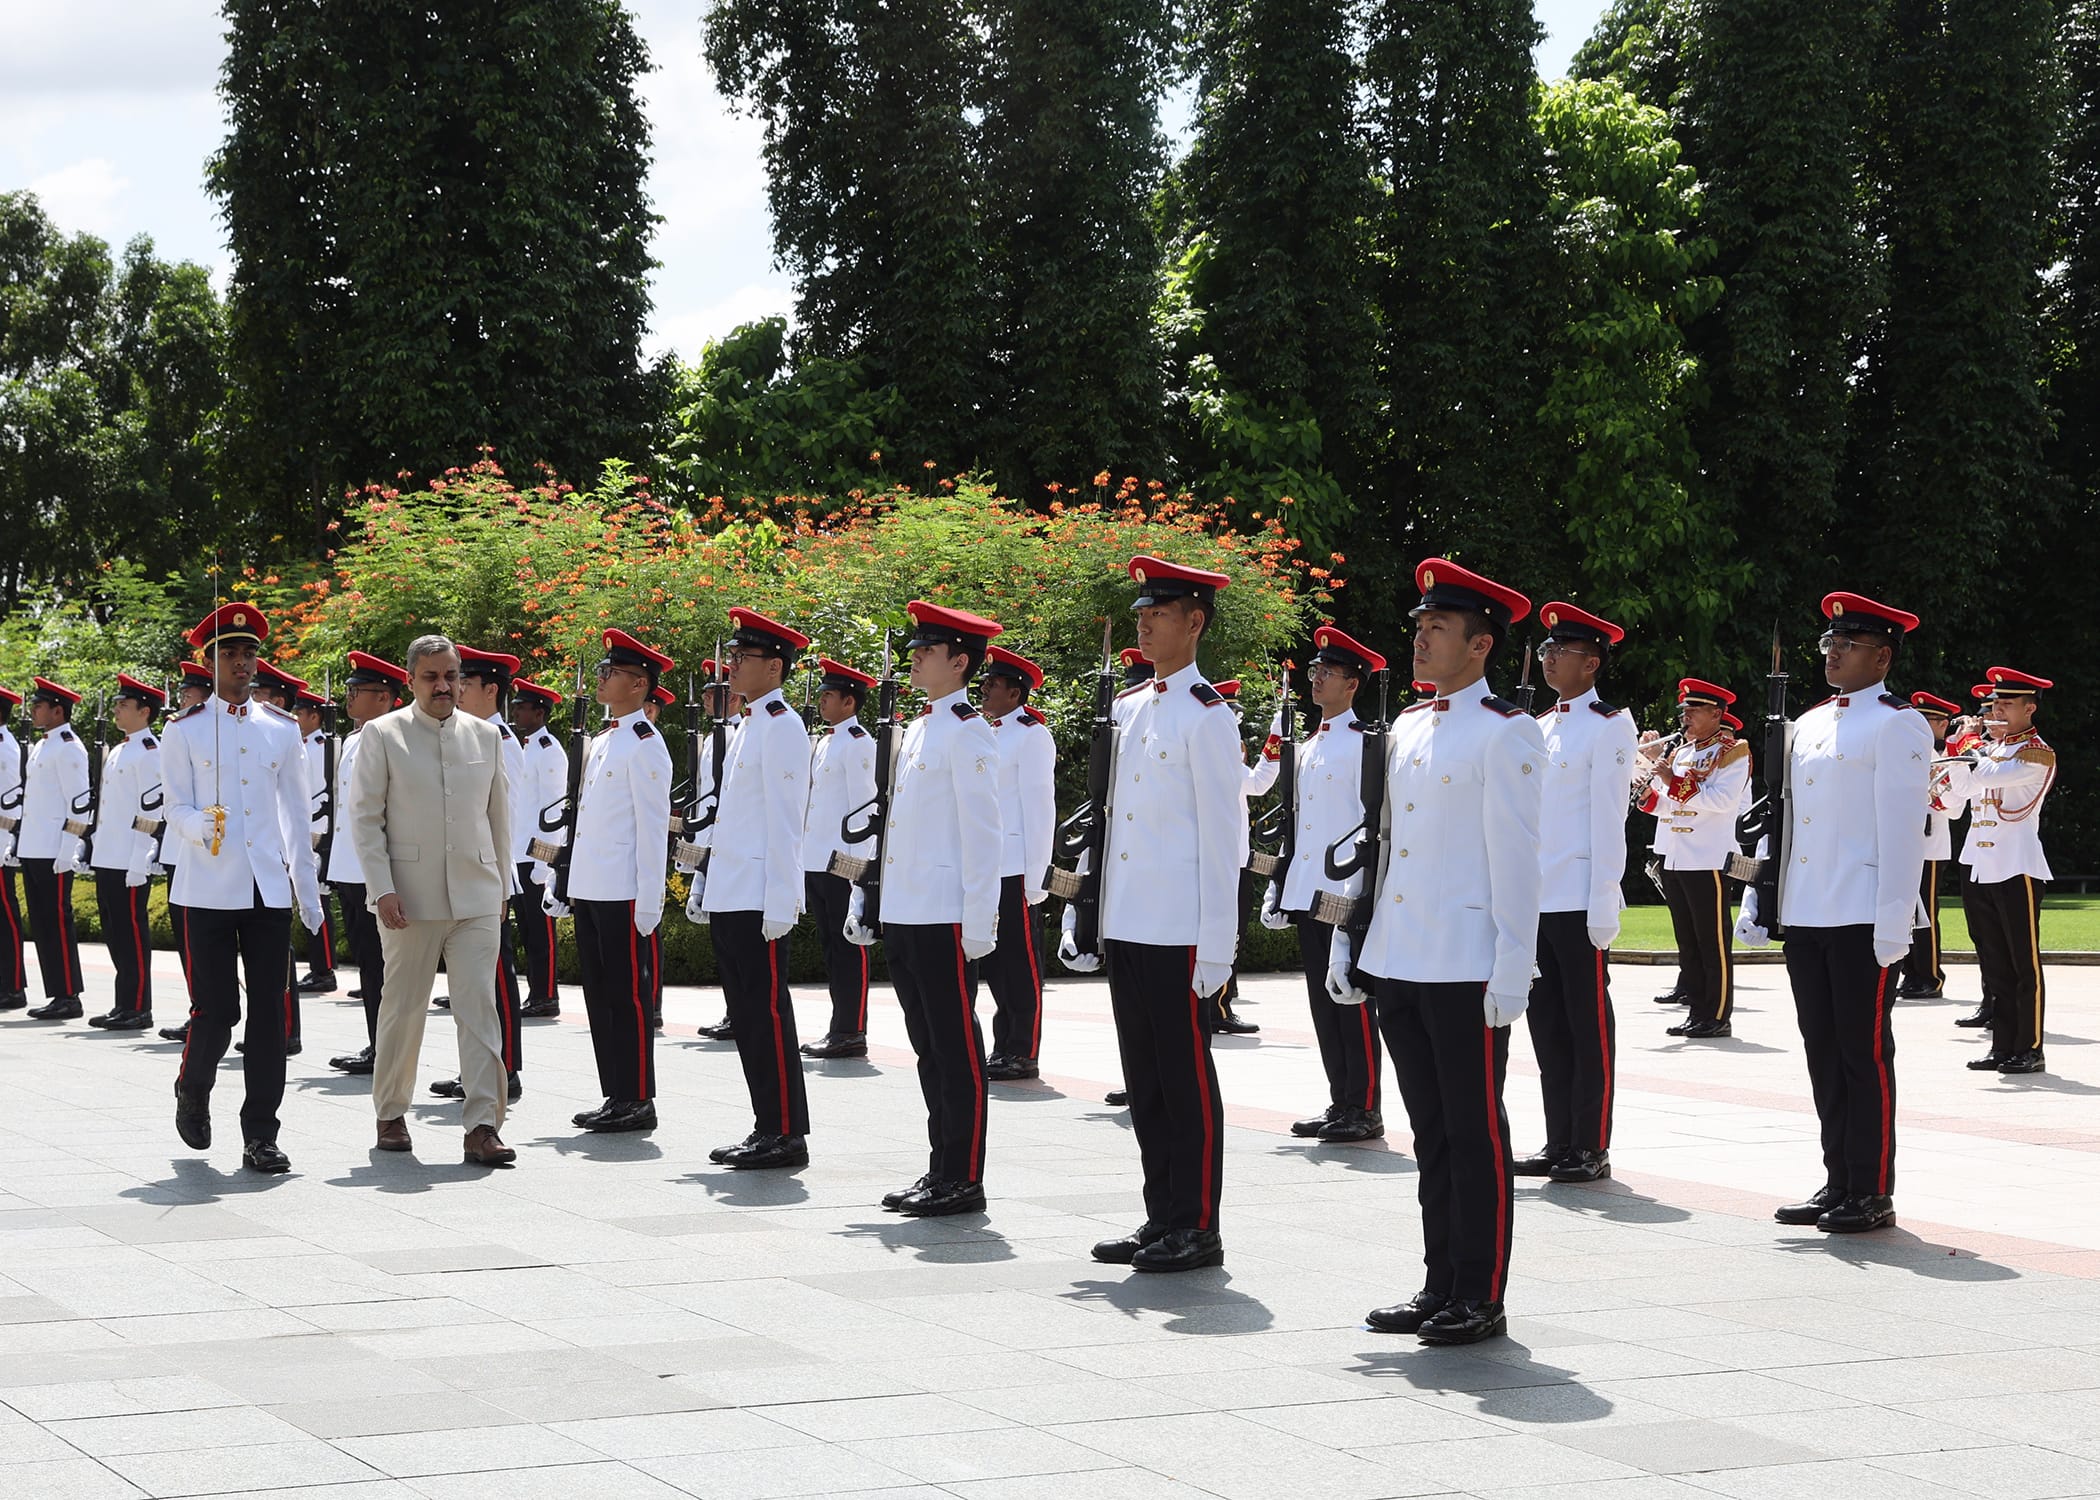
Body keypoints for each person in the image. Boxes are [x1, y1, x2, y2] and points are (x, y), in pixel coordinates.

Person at [1356, 558, 1543, 1346]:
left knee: (1474, 1131)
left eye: (1438, 629)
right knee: (1429, 1131)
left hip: (1466, 962)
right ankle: (1439, 1281)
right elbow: (1388, 847)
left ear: (1480, 645)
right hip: (1404, 956)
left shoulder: (1508, 732)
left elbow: (1519, 857)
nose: (1422, 639)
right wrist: (1360, 945)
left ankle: (1480, 1292)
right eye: (1419, 627)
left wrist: (1512, 967)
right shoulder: (1407, 726)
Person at [1064, 556, 1243, 1274]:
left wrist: (1217, 948)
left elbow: (1221, 839)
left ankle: (1197, 1224)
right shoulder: (1132, 707)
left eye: (1158, 612)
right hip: (1130, 920)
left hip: (1177, 927)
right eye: (1141, 611)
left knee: (1184, 1077)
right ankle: (1161, 1213)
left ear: (1194, 622)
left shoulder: (1209, 718)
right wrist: (1091, 910)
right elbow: (1114, 823)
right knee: (1144, 1078)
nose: (1144, 621)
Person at [1743, 592, 1930, 1233]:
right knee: (1822, 1050)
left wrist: (1892, 922)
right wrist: (1760, 894)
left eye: (1847, 644)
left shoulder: (1897, 723)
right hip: (1806, 907)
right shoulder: (1811, 722)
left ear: (1881, 655)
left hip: (1860, 911)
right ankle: (1838, 1179)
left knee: (1863, 1053)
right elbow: (1786, 820)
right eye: (1830, 643)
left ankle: (1871, 1188)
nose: (1833, 652)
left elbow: (1904, 831)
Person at [855, 601, 1004, 1216]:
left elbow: (984, 833)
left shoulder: (969, 730)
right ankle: (939, 1165)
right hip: (909, 909)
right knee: (928, 1045)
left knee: (955, 1045)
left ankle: (963, 1175)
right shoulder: (919, 726)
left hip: (943, 912)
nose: (914, 656)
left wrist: (979, 920)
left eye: (928, 649)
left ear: (960, 661)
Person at [164, 604, 323, 1174]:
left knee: (269, 1015)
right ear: (209, 663)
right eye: (228, 653)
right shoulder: (182, 729)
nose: (240, 662)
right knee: (217, 1010)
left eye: (248, 653)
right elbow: (173, 801)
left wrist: (305, 890)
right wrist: (192, 823)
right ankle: (193, 1087)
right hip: (205, 884)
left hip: (264, 888)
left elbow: (295, 815)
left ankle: (261, 1132)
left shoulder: (279, 729)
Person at [348, 635, 516, 1165]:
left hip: (476, 896)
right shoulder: (382, 734)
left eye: (451, 676)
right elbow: (365, 819)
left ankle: (483, 1124)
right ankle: (392, 1112)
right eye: (431, 677)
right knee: (403, 1008)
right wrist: (381, 889)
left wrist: (503, 890)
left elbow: (498, 819)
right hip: (409, 900)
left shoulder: (485, 736)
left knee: (479, 1008)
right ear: (410, 680)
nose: (443, 686)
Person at [1517, 604, 1638, 1185]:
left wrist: (1602, 900)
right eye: (1546, 650)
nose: (1548, 658)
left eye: (1559, 651)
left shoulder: (1609, 724)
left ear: (1590, 663)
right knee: (1547, 1026)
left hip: (1578, 896)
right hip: (1538, 896)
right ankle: (1557, 1137)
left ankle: (1590, 1144)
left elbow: (1608, 820)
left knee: (1587, 1029)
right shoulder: (1539, 727)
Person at [1259, 624, 1388, 1145]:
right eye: (1314, 670)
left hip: (1344, 890)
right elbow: (1298, 823)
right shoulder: (1308, 745)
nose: (1315, 679)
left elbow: (1368, 824)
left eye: (1327, 672)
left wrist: (1355, 901)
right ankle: (1341, 1100)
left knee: (1351, 1000)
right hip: (1308, 888)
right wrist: (1280, 882)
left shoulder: (1367, 744)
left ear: (1353, 683)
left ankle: (1365, 1105)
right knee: (1322, 1001)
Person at [695, 611, 813, 1168]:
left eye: (744, 658)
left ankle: (785, 1131)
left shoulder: (784, 726)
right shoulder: (748, 724)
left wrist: (782, 898)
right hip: (732, 890)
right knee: (746, 1015)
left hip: (758, 896)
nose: (733, 665)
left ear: (775, 666)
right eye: (734, 656)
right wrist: (706, 881)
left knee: (765, 1014)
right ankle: (767, 1124)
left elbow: (789, 821)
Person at [545, 629, 674, 1134]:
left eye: (610, 673)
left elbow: (649, 825)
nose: (600, 678)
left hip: (623, 890)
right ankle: (615, 1093)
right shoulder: (604, 740)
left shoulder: (645, 745)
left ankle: (638, 1097)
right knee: (600, 995)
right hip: (593, 887)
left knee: (629, 997)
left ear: (639, 683)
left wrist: (650, 897)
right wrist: (568, 882)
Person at [1939, 668, 2055, 1074]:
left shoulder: (2035, 753)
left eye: (2007, 704)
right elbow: (1960, 792)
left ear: (2030, 708)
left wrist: (1965, 743)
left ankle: (2030, 1047)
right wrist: (1957, 750)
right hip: (1978, 863)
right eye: (1994, 704)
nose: (1996, 710)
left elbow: (1982, 776)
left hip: (2016, 865)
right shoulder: (1990, 750)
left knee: (2024, 963)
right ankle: (2002, 1045)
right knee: (1993, 959)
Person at [428, 644, 527, 1101]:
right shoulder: (466, 734)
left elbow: (507, 817)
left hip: (487, 879)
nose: (456, 690)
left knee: (496, 979)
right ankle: (482, 1069)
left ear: (491, 689)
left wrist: (501, 884)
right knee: (476, 983)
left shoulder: (500, 740)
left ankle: (505, 1069)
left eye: (465, 683)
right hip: (466, 877)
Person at [1635, 680, 1750, 1039]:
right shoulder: (1683, 753)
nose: (1685, 716)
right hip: (1678, 858)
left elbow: (1722, 801)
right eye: (1684, 709)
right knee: (1688, 940)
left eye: (1694, 709)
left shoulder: (1733, 751)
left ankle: (1716, 1015)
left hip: (1709, 857)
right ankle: (1697, 1011)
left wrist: (1671, 782)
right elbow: (1672, 806)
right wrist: (1647, 798)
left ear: (1716, 713)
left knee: (1712, 942)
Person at [325, 651, 407, 1075]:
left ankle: (387, 1048)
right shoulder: (356, 738)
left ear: (385, 697)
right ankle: (378, 1043)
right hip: (350, 866)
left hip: (375, 870)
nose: (349, 698)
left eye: (358, 691)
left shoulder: (394, 738)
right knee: (367, 963)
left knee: (382, 966)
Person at [979, 644, 1056, 1081]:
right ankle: (1002, 1044)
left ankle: (1023, 1049)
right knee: (995, 963)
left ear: (1016, 692)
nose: (985, 689)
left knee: (1020, 965)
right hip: (990, 867)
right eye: (985, 683)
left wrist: (1035, 877)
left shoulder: (1031, 735)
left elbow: (1039, 810)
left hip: (1016, 868)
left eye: (993, 684)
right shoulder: (990, 732)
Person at [799, 656, 878, 1060]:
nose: (823, 701)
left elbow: (864, 810)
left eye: (829, 695)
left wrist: (861, 875)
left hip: (842, 864)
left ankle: (851, 1029)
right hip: (817, 859)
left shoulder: (860, 742)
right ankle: (839, 1026)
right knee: (830, 946)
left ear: (850, 702)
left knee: (847, 948)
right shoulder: (827, 740)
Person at [82, 674, 167, 1031]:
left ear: (144, 711)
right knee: (116, 933)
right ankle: (123, 1003)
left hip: (128, 859)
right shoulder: (119, 749)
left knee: (132, 934)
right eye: (116, 704)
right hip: (108, 855)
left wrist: (141, 857)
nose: (117, 710)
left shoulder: (150, 752)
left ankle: (138, 1007)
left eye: (123, 705)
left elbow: (151, 810)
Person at [18, 677, 89, 1021]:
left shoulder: (69, 746)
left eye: (38, 706)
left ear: (57, 710)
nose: (33, 711)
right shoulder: (43, 745)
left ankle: (69, 995)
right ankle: (56, 992)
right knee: (43, 923)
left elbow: (79, 804)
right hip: (34, 846)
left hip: (53, 849)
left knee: (57, 922)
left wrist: (69, 847)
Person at [691, 662, 749, 1043]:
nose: (709, 697)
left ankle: (739, 1011)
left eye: (717, 692)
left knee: (737, 943)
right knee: (721, 941)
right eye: (709, 692)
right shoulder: (715, 736)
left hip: (731, 848)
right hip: (710, 841)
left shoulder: (739, 733)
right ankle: (733, 1010)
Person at [157, 661, 215, 1043]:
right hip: (180, 846)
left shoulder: (207, 733)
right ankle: (198, 1008)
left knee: (205, 946)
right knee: (188, 944)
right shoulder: (179, 730)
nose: (181, 699)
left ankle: (208, 1011)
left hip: (208, 853)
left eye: (187, 692)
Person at [509, 678, 567, 1019]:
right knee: (529, 931)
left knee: (541, 930)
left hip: (536, 856)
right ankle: (536, 992)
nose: (516, 710)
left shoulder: (549, 750)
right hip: (519, 852)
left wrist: (546, 864)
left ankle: (546, 994)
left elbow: (554, 809)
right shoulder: (527, 747)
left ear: (540, 712)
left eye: (523, 706)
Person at [1900, 692, 1961, 1001]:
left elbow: (1953, 807)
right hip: (1905, 844)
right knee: (1905, 913)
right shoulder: (1908, 754)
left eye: (1928, 721)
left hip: (1930, 846)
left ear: (1943, 725)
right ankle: (1911, 972)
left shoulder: (1944, 759)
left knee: (1926, 913)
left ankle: (1930, 975)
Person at [293, 687, 339, 995]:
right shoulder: (303, 746)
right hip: (303, 835)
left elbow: (325, 796)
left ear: (314, 716)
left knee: (317, 902)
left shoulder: (321, 747)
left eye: (300, 713)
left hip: (315, 836)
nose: (296, 718)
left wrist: (318, 841)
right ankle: (318, 967)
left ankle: (324, 970)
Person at [0, 686, 27, 1011]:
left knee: (6, 917)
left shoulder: (6, 748)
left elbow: (10, 802)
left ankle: (14, 985)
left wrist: (6, 843)